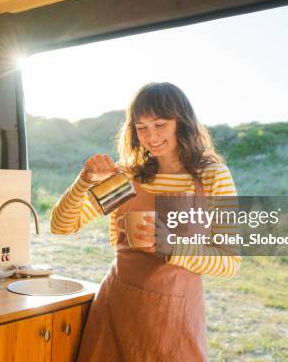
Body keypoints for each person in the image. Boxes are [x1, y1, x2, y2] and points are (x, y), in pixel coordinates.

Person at [50, 82, 240, 361]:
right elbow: (62, 225)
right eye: (142, 127)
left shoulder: (212, 177)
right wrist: (84, 181)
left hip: (172, 321)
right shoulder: (128, 176)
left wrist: (173, 247)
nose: (151, 136)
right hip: (117, 306)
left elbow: (229, 263)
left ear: (181, 123)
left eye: (160, 124)